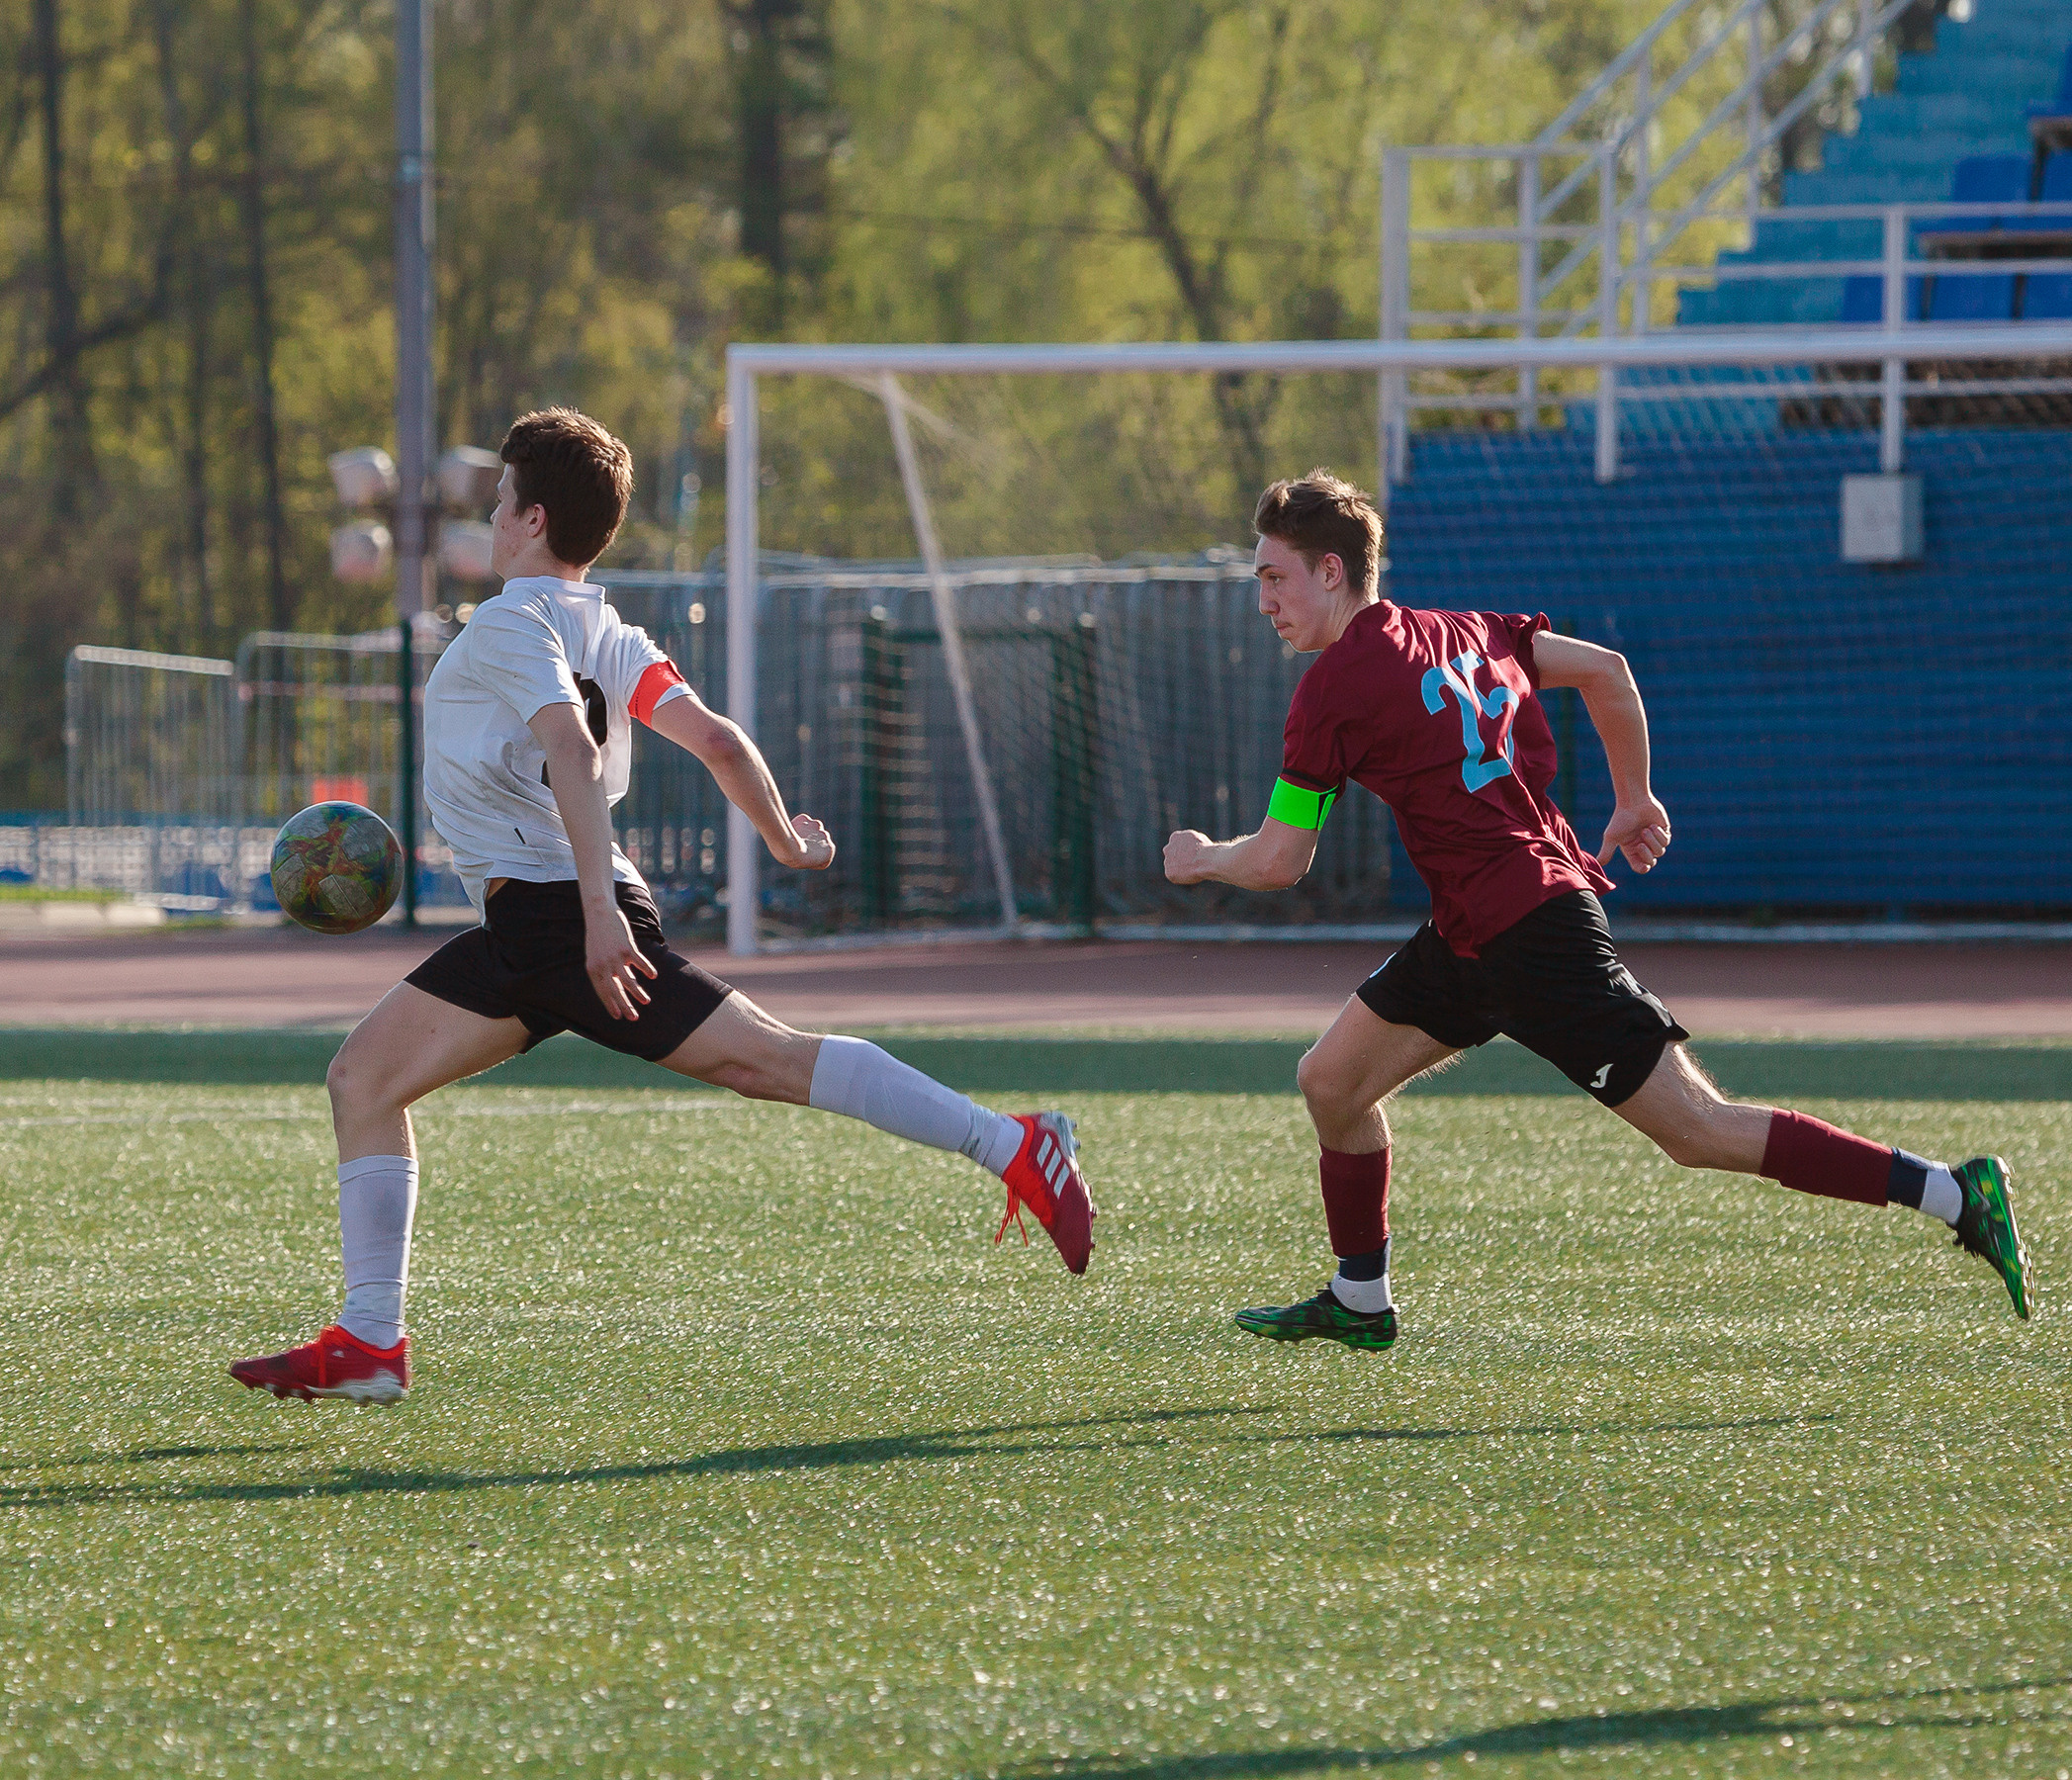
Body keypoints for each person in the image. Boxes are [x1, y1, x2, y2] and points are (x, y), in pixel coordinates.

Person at [231, 407, 1093, 1404]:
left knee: (770, 1059)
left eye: (503, 499)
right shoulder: (607, 626)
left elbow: (574, 751)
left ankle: (1014, 1144)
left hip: (565, 920)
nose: (496, 517)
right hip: (530, 929)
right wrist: (781, 836)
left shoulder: (510, 624)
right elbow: (719, 740)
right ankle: (371, 1342)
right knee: (363, 1079)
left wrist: (598, 914)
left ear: (531, 517)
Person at [1163, 469, 2030, 1352]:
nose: (1263, 599)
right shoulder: (1466, 630)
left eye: (1275, 577)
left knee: (1697, 1131)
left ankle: (1955, 1194)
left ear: (1333, 574)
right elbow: (1607, 674)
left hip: (1530, 934)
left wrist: (1203, 859)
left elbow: (1279, 861)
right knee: (1331, 1082)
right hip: (1478, 928)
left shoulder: (1333, 688)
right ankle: (1359, 1297)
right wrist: (1633, 798)